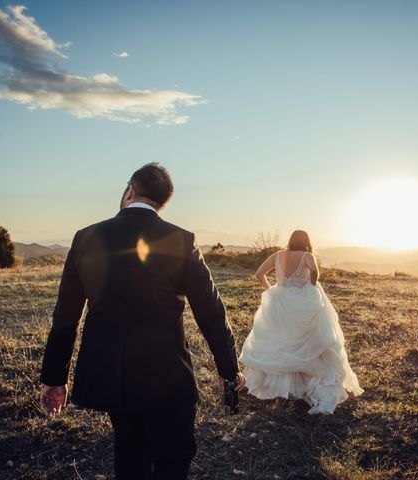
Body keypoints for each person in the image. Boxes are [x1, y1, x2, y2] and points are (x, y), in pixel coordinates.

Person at [39, 163, 246, 480]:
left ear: (130, 190)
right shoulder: (181, 240)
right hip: (167, 375)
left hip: (110, 376)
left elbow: (65, 315)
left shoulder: (86, 238)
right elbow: (212, 313)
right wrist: (228, 371)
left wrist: (55, 377)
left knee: (129, 451)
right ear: (162, 203)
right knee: (174, 457)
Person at [239, 230, 363, 414]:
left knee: (280, 340)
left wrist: (272, 290)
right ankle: (305, 385)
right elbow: (315, 271)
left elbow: (259, 273)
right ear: (306, 242)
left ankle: (280, 386)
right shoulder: (307, 255)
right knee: (307, 342)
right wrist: (310, 285)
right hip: (301, 301)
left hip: (279, 302)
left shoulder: (278, 255)